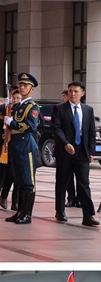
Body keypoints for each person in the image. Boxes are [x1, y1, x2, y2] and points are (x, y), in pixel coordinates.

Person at [52, 80, 99, 226]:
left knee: (84, 184)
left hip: (82, 152)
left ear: (82, 94)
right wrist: (65, 143)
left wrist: (91, 151)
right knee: (62, 182)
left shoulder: (88, 110)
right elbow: (56, 128)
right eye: (70, 91)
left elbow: (91, 131)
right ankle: (60, 211)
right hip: (65, 151)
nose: (72, 94)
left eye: (76, 91)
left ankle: (88, 215)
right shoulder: (59, 109)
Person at [3, 72, 40, 224]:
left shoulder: (32, 107)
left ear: (32, 88)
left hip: (26, 146)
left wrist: (12, 123)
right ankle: (20, 212)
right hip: (16, 146)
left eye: (25, 85)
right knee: (19, 180)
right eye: (20, 85)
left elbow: (30, 126)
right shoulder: (17, 106)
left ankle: (27, 214)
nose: (22, 87)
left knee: (28, 181)